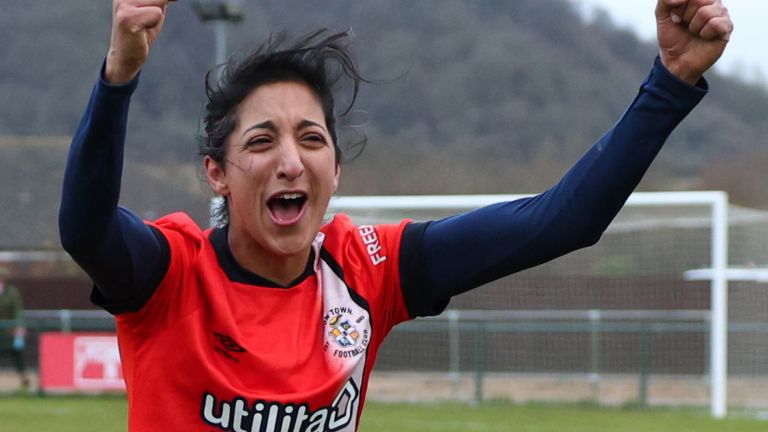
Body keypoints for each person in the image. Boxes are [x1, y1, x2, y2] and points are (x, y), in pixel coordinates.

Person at [59, 0, 732, 430]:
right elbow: (85, 227)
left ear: (336, 170)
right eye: (261, 142)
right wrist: (119, 77)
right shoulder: (172, 273)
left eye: (312, 139)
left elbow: (560, 221)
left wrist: (668, 84)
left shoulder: (369, 269)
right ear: (217, 174)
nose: (291, 161)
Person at [0, 267, 30, 390]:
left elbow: (18, 310)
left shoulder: (12, 293)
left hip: (8, 331)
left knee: (16, 354)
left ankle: (23, 379)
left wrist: (18, 326)